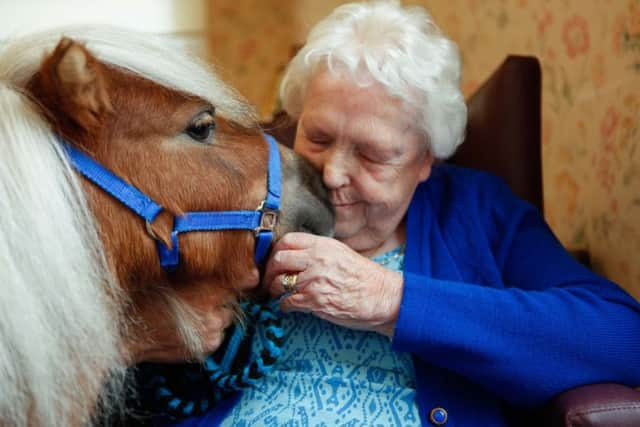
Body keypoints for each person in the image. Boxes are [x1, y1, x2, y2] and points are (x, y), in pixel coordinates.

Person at [174, 1, 640, 426]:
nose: (332, 173)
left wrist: (390, 300)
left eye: (372, 155)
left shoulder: (476, 211)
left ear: (425, 160)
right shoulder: (246, 201)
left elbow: (624, 337)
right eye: (316, 138)